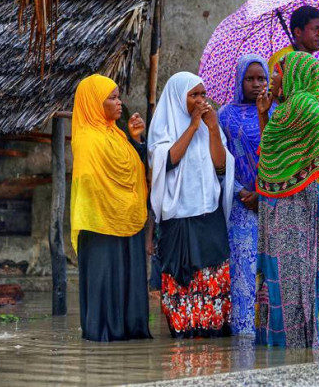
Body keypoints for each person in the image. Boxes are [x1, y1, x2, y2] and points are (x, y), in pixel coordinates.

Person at [254, 51, 319, 348]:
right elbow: (271, 153)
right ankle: (291, 344)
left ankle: (290, 344)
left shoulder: (301, 104)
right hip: (287, 200)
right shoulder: (286, 108)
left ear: (293, 76)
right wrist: (264, 113)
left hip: (300, 202)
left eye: (278, 72)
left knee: (293, 270)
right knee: (287, 271)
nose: (272, 78)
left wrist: (307, 161)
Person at [148, 72, 235, 338]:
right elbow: (167, 161)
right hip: (179, 219)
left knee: (213, 276)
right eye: (193, 95)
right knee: (181, 279)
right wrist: (193, 126)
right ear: (178, 96)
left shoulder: (211, 126)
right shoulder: (164, 127)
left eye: (202, 95)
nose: (199, 100)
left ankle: (212, 340)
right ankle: (183, 341)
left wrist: (211, 129)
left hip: (209, 215)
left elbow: (221, 167)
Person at [70, 74, 152, 342]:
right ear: (94, 102)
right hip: (100, 225)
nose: (119, 103)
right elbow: (89, 182)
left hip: (126, 219)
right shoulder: (87, 139)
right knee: (105, 280)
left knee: (128, 278)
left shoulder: (117, 135)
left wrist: (136, 140)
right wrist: (110, 203)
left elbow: (136, 172)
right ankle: (104, 335)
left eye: (119, 97)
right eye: (112, 98)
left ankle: (129, 331)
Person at [217, 54, 272, 336]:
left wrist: (263, 192)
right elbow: (219, 161)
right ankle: (243, 336)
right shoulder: (224, 115)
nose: (256, 84)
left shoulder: (276, 112)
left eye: (261, 78)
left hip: (273, 203)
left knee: (271, 273)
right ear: (240, 80)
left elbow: (281, 156)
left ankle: (270, 333)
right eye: (249, 78)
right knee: (243, 270)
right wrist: (242, 192)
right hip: (240, 203)